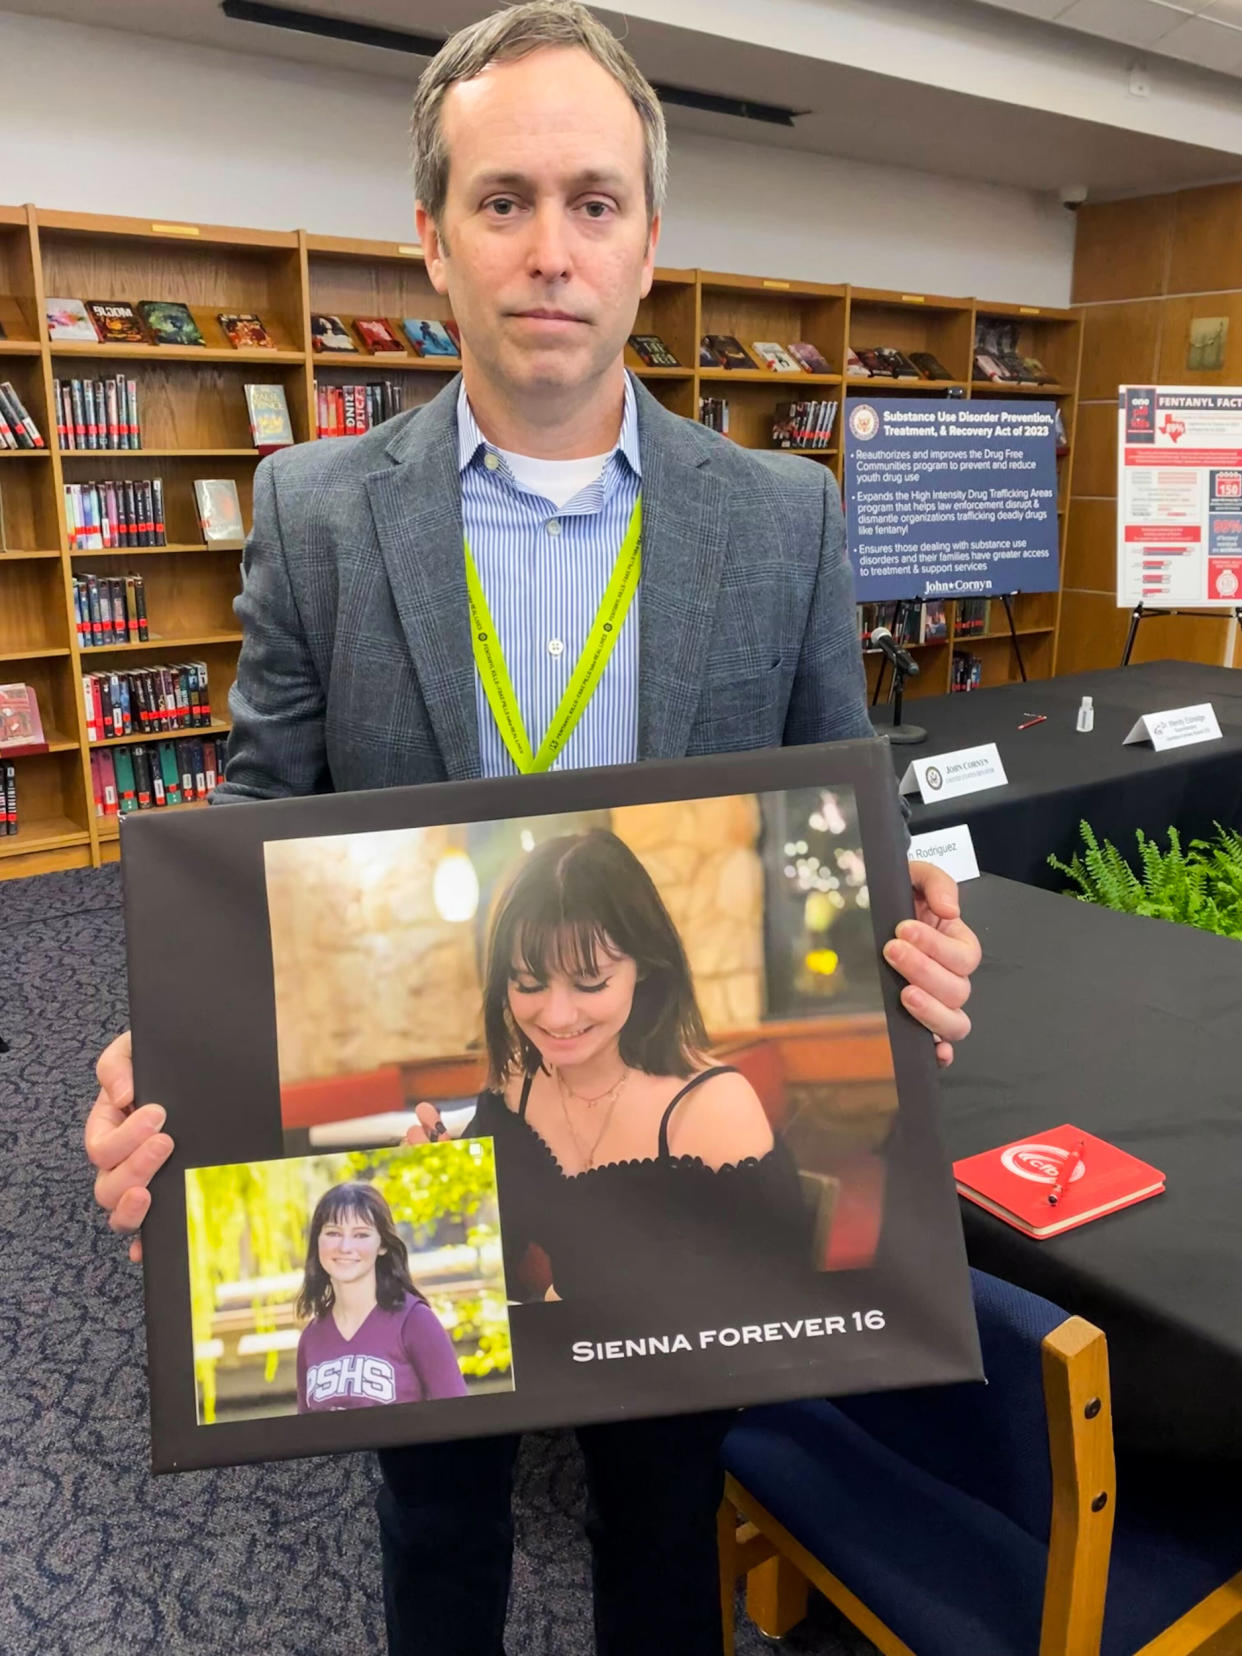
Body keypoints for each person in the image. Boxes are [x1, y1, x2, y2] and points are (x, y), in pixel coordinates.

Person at [85, 4, 981, 1652]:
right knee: (436, 1523)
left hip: (667, 1135)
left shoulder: (782, 518)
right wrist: (171, 1052)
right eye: (502, 202)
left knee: (663, 1530)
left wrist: (903, 935)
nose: (548, 248)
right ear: (429, 242)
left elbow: (834, 817)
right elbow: (260, 826)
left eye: (591, 202)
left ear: (649, 240)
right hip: (437, 1133)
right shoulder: (317, 512)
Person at [415, 829, 811, 1305]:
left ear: (644, 967)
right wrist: (440, 1189)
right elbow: (482, 1272)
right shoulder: (517, 1092)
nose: (557, 1016)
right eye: (529, 984)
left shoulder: (712, 1108)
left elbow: (779, 1312)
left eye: (590, 984)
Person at [296, 1180, 468, 1413]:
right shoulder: (311, 1338)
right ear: (317, 1241)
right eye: (333, 1233)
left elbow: (459, 1418)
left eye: (361, 1235)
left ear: (383, 1245)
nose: (345, 1247)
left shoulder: (415, 1321)